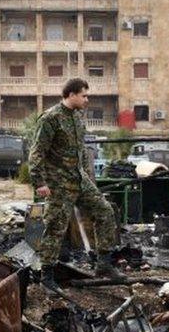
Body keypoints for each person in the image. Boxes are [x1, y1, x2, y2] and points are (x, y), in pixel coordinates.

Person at [29, 78, 126, 290]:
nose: (87, 99)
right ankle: (46, 276)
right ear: (71, 94)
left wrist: (86, 175)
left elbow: (81, 150)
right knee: (55, 227)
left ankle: (104, 264)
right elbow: (37, 153)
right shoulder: (50, 118)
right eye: (84, 95)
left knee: (105, 211)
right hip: (58, 184)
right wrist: (40, 182)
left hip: (79, 180)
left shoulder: (78, 118)